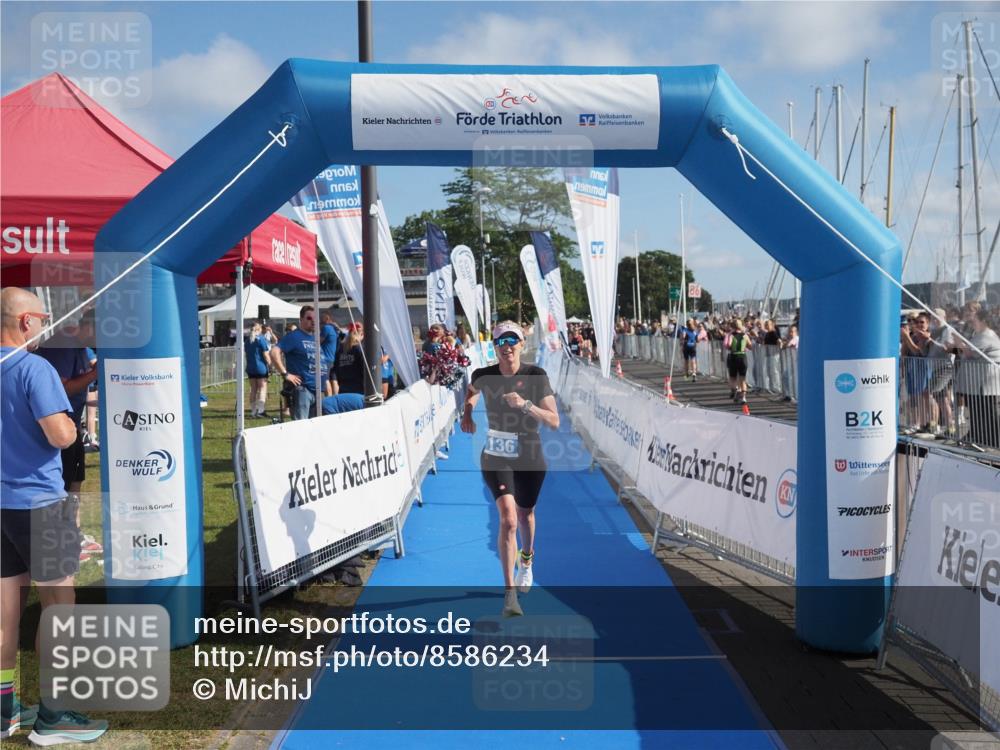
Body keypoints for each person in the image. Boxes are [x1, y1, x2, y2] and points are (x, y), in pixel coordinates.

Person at [0, 288, 108, 744]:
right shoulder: (34, 367)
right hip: (38, 503)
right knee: (59, 609)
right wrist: (72, 426)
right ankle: (55, 714)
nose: (47, 324)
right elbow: (61, 435)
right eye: (42, 316)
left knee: (5, 612)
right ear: (25, 321)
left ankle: (5, 709)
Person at [460, 321, 559, 618]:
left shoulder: (536, 375)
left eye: (512, 340)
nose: (507, 347)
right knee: (509, 519)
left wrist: (526, 405)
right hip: (496, 453)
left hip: (530, 454)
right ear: (495, 347)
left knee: (526, 513)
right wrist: (468, 414)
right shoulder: (484, 375)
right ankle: (509, 594)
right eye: (501, 342)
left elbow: (553, 420)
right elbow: (471, 391)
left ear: (521, 344)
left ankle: (526, 561)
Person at [35, 312, 103, 560]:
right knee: (62, 484)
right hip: (57, 427)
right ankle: (62, 539)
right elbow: (61, 388)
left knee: (74, 481)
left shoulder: (82, 347)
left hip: (72, 425)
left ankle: (73, 535)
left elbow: (92, 366)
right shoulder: (63, 344)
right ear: (90, 327)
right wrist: (96, 374)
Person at [270, 306, 324, 420]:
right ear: (301, 320)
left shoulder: (315, 337)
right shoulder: (294, 336)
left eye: (315, 318)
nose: (313, 321)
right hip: (303, 391)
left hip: (318, 391)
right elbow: (274, 352)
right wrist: (285, 374)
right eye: (309, 318)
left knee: (316, 429)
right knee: (301, 429)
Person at [244, 322, 272, 418]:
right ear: (259, 330)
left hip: (250, 367)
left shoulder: (247, 341)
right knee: (262, 389)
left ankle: (253, 411)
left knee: (253, 390)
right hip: (260, 368)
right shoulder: (261, 339)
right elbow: (266, 355)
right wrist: (270, 365)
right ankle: (260, 411)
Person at [727, 319, 751, 404]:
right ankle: (743, 398)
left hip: (734, 356)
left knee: (733, 377)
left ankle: (736, 389)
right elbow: (750, 346)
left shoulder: (731, 335)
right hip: (742, 357)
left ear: (732, 326)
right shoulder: (745, 335)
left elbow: (728, 345)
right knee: (743, 379)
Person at [319, 313, 339, 397]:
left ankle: (329, 399)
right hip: (332, 358)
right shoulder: (334, 329)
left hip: (325, 359)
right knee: (333, 379)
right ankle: (335, 398)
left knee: (325, 380)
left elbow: (318, 341)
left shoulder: (326, 328)